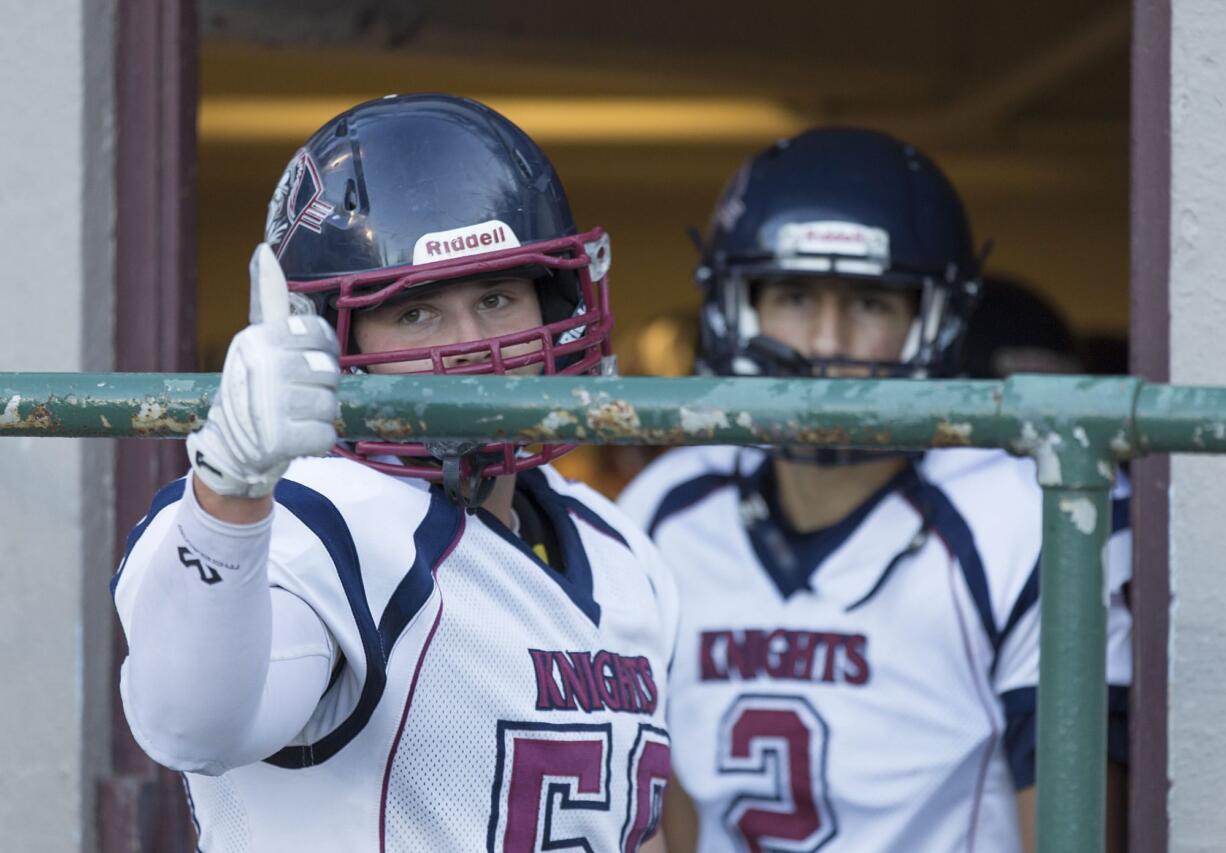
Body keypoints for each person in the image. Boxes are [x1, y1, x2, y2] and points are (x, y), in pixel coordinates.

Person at [112, 94, 676, 851]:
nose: (473, 344)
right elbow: (192, 721)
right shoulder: (316, 517)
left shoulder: (618, 547)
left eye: (499, 297)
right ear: (325, 337)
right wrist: (230, 494)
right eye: (416, 313)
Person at [619, 129, 1131, 852]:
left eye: (871, 302)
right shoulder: (666, 509)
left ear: (933, 319)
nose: (826, 344)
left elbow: (1075, 833)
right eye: (794, 295)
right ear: (738, 308)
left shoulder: (1022, 513)